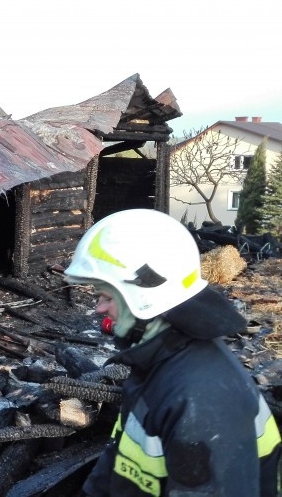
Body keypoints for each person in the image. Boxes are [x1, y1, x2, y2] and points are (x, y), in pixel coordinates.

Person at [63, 209, 281, 496]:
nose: (99, 309)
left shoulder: (201, 398)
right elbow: (117, 464)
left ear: (145, 296)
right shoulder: (157, 362)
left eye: (107, 296)